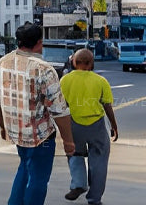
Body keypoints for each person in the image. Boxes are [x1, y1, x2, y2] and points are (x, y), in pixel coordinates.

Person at [0, 21, 76, 205]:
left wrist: (3, 127)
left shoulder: (1, 64)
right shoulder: (44, 69)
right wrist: (68, 141)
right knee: (37, 179)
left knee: (24, 169)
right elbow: (59, 111)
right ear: (38, 43)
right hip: (41, 137)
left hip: (16, 133)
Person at [60, 48, 118, 204]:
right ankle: (94, 199)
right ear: (91, 63)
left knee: (74, 154)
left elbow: (61, 106)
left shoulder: (65, 80)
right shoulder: (100, 81)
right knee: (99, 161)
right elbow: (107, 106)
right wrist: (114, 126)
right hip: (96, 126)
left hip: (74, 124)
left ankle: (78, 184)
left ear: (74, 62)